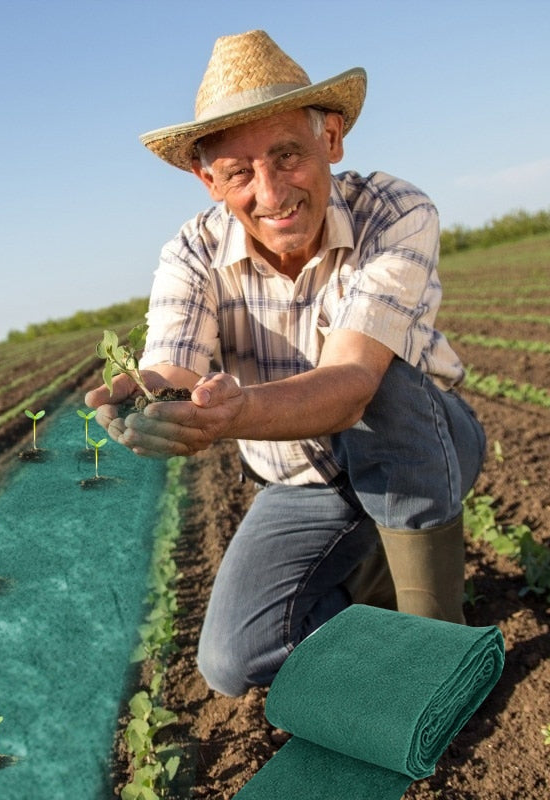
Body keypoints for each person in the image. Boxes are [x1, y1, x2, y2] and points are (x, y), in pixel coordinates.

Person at [85, 29, 486, 697]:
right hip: (304, 481)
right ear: (207, 179)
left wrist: (238, 411)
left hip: (424, 448)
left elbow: (354, 384)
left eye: (288, 155)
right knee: (232, 662)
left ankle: (441, 651)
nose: (270, 192)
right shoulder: (190, 254)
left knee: (384, 386)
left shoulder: (394, 212)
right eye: (239, 172)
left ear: (330, 140)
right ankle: (375, 603)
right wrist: (153, 400)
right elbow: (174, 367)